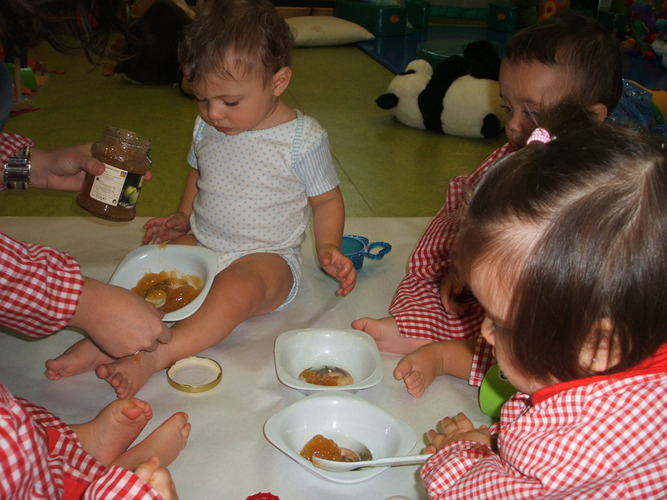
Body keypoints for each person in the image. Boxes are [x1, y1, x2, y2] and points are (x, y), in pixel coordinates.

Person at [45, 0, 357, 399]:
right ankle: (107, 338)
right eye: (201, 99)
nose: (214, 114)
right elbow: (199, 173)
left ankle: (156, 356)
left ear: (278, 82)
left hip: (267, 256)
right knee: (152, 270)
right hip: (203, 239)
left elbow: (327, 200)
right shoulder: (206, 126)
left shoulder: (302, 139)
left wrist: (329, 245)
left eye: (229, 102)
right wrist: (184, 215)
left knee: (234, 292)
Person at [352, 13, 623, 396]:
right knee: (437, 291)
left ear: (592, 118)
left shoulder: (598, 186)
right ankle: (426, 331)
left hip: (547, 311)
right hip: (491, 290)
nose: (514, 126)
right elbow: (470, 218)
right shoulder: (511, 154)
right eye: (507, 107)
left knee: (536, 355)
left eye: (532, 112)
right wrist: (463, 266)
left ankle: (453, 356)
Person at [419, 118, 667, 498]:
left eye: (500, 324)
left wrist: (459, 456)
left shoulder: (569, 448)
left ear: (598, 346)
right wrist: (496, 441)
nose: (484, 332)